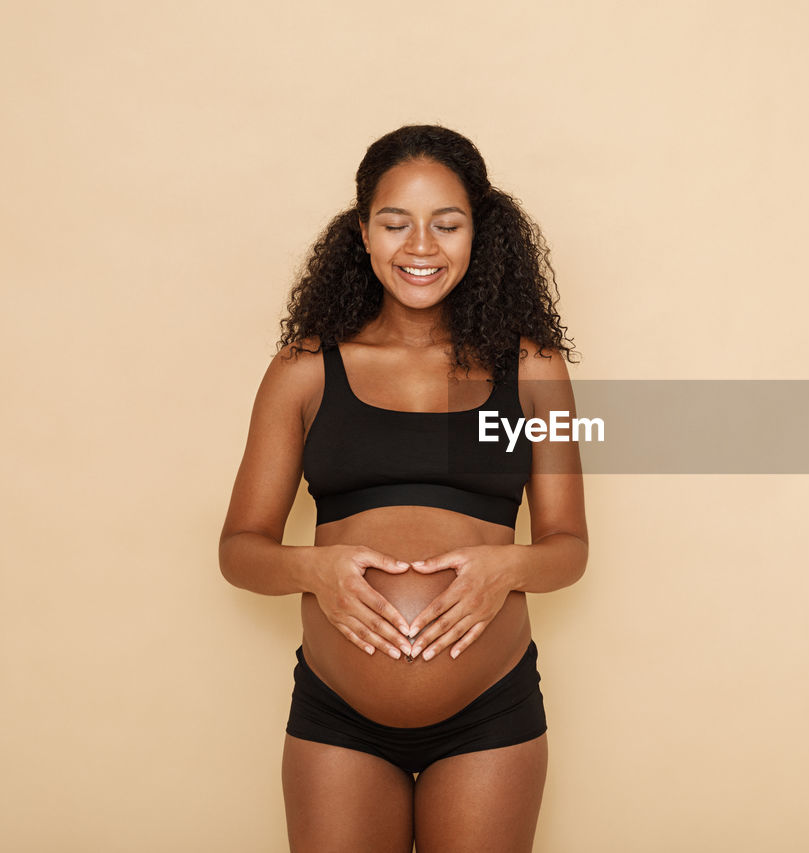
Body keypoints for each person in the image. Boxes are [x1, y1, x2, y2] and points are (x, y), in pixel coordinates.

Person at [218, 124, 587, 853]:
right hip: (338, 715)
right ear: (362, 232)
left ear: (480, 233)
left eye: (446, 224)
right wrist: (311, 568)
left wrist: (506, 566)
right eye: (396, 223)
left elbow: (569, 548)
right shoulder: (304, 369)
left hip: (491, 713)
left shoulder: (533, 368)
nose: (421, 245)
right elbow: (238, 549)